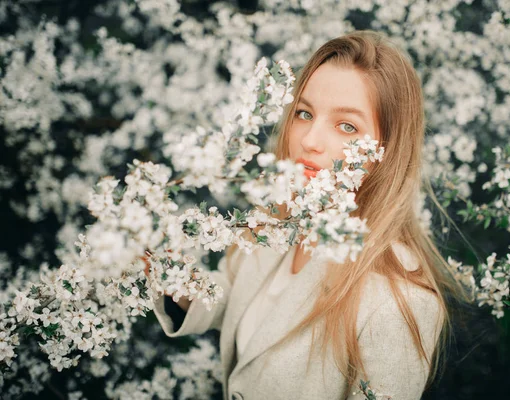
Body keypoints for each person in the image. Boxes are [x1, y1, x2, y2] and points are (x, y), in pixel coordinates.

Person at [149, 30, 467, 400]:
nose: (310, 140)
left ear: (388, 149)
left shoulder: (396, 301)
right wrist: (178, 284)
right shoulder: (275, 221)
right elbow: (238, 302)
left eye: (347, 126)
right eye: (304, 113)